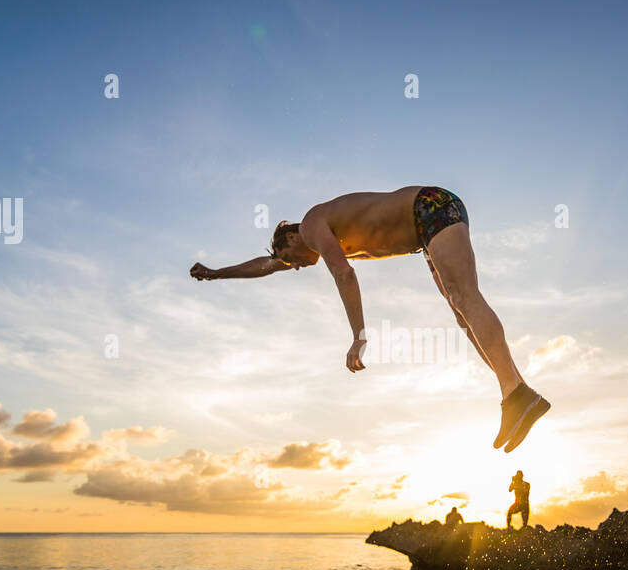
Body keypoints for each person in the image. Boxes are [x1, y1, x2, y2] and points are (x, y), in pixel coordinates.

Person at [190, 186, 550, 452]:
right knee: (462, 316)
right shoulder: (311, 240)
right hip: (424, 232)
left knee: (465, 297)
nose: (295, 266)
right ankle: (516, 395)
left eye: (291, 258)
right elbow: (265, 265)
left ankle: (517, 395)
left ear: (290, 235)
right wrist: (218, 273)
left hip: (430, 208)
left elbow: (344, 274)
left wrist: (359, 336)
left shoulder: (314, 224)